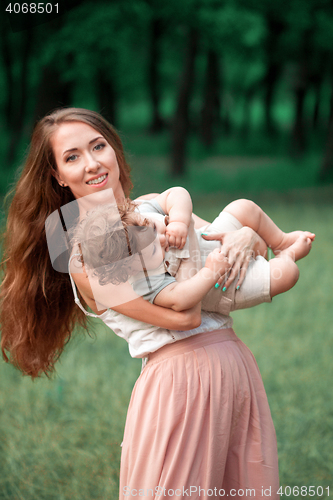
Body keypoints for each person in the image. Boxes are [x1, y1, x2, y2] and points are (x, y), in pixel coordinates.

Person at [0, 107, 311, 499]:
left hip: (235, 367)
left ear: (114, 149)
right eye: (72, 156)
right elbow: (186, 315)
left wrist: (247, 236)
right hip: (181, 384)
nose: (93, 162)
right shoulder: (86, 256)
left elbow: (220, 239)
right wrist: (217, 259)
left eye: (99, 146)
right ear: (58, 176)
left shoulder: (149, 204)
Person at [73, 191, 314, 315]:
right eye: (154, 249)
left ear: (135, 213)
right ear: (133, 269)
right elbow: (180, 299)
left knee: (244, 207)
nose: (164, 237)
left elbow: (176, 193)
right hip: (225, 285)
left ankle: (281, 241)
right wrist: (210, 272)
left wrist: (178, 220)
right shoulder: (145, 283)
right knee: (287, 273)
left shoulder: (143, 209)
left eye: (153, 228)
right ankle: (287, 256)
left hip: (213, 236)